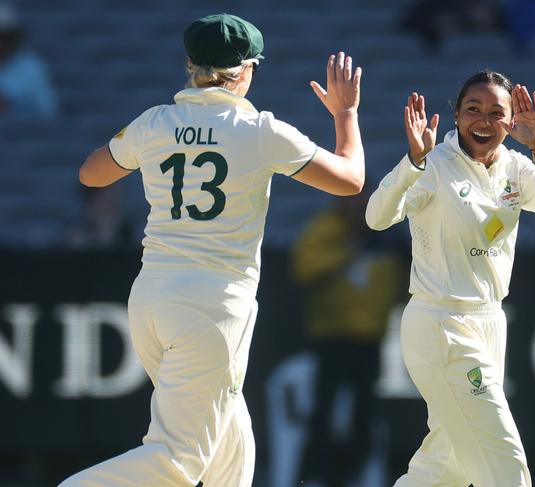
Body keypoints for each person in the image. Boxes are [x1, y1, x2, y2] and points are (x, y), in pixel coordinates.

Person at [59, 13, 364, 487]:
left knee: (231, 443)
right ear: (244, 71)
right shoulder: (261, 130)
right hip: (213, 306)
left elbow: (91, 174)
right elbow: (351, 180)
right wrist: (345, 114)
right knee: (177, 462)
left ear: (190, 64)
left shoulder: (155, 122)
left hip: (152, 301)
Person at [366, 71, 535, 487]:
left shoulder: (515, 168)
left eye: (496, 113)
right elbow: (376, 217)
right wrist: (412, 162)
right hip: (441, 322)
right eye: (472, 110)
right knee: (501, 453)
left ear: (512, 120)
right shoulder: (433, 166)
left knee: (447, 464)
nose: (483, 121)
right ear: (456, 114)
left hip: (489, 322)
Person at [292, 192, 405, 486]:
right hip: (331, 337)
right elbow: (305, 268)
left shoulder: (388, 237)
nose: (358, 208)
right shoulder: (324, 229)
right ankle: (316, 476)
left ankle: (354, 476)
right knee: (323, 413)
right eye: (353, 201)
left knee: (365, 416)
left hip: (370, 340)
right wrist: (347, 251)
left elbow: (406, 279)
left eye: (365, 201)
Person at [0, 1, 57, 119]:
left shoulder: (32, 68)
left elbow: (48, 112)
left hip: (25, 134)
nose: (1, 43)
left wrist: (13, 106)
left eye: (5, 37)